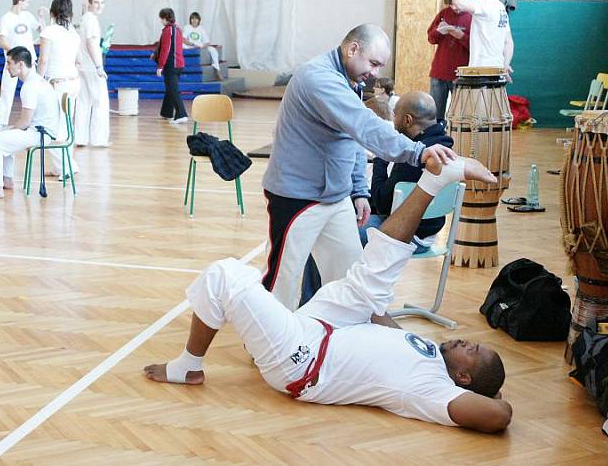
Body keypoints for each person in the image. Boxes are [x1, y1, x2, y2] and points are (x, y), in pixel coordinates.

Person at [145, 156, 512, 433]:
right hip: (331, 325)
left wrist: (491, 395)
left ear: (464, 379)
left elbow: (499, 416)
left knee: (224, 274)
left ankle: (187, 368)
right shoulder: (431, 353)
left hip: (304, 360)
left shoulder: (432, 391)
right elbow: (381, 324)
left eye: (473, 351)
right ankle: (435, 180)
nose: (467, 341)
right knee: (372, 277)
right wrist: (373, 298)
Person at [261, 23, 455, 311]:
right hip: (297, 198)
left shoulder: (349, 80)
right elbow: (363, 125)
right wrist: (418, 151)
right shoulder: (318, 78)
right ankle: (265, 350)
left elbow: (349, 139)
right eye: (374, 63)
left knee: (349, 279)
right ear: (353, 49)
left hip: (334, 198)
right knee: (283, 283)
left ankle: (339, 337)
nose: (376, 73)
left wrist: (358, 190)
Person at [360, 92, 454, 254]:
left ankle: (333, 280)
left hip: (406, 235)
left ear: (407, 120)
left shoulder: (417, 157)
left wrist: (381, 158)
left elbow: (383, 204)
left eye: (395, 116)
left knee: (337, 235)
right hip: (429, 231)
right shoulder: (445, 147)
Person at [0, 46, 60, 199]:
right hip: (44, 131)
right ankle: (6, 179)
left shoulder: (30, 86)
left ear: (20, 64)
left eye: (9, 63)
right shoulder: (38, 81)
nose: (6, 68)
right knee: (4, 136)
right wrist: (8, 130)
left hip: (40, 134)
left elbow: (25, 122)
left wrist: (8, 130)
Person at [37, 0, 81, 180]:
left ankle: (66, 167)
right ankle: (63, 165)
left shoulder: (49, 31)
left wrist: (38, 81)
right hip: (73, 81)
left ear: (53, 12)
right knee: (67, 124)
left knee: (53, 127)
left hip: (58, 84)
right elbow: (78, 60)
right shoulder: (73, 33)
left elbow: (43, 59)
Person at [0, 0, 43, 130]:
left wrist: (41, 17)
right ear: (20, 1)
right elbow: (2, 41)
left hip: (29, 61)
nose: (28, 4)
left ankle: (37, 120)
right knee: (7, 91)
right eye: (27, 1)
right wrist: (14, 53)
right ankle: (0, 122)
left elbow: (40, 29)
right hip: (13, 62)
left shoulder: (27, 16)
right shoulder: (6, 19)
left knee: (34, 89)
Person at [451, 0, 514, 77]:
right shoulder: (500, 8)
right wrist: (505, 65)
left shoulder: (485, 4)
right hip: (497, 68)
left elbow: (458, 3)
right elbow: (508, 42)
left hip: (481, 69)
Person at [427, 0, 471, 122]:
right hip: (439, 72)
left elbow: (476, 46)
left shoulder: (472, 16)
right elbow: (431, 38)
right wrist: (439, 31)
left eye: (457, 4)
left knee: (459, 115)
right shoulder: (443, 14)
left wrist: (461, 36)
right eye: (451, 5)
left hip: (460, 74)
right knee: (435, 113)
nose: (454, 8)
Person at [75, 0, 110, 147]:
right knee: (100, 103)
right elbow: (90, 43)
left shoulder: (84, 19)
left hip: (82, 66)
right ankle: (99, 139)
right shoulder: (92, 21)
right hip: (91, 67)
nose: (99, 6)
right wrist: (98, 66)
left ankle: (80, 138)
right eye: (96, 2)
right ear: (90, 3)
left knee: (83, 103)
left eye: (102, 3)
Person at [155, 8, 188, 124]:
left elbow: (166, 49)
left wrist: (160, 66)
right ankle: (166, 112)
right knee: (170, 88)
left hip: (171, 65)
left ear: (164, 18)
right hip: (179, 64)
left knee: (173, 90)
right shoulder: (177, 28)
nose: (160, 21)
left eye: (161, 18)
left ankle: (181, 114)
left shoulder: (168, 30)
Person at [183, 12, 221, 80]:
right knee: (182, 45)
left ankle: (217, 69)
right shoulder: (187, 27)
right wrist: (192, 44)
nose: (194, 20)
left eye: (196, 19)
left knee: (213, 50)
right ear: (190, 20)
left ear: (199, 20)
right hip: (190, 45)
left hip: (199, 46)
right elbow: (184, 39)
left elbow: (207, 42)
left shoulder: (201, 28)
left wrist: (203, 47)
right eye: (192, 19)